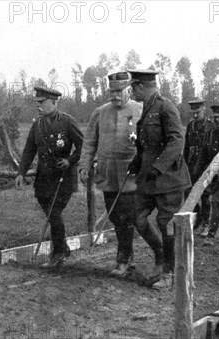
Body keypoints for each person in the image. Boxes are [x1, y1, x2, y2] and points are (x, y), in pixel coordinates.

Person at [126, 69, 191, 289]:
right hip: (149, 178)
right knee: (138, 217)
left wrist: (159, 166)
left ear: (142, 87)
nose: (131, 91)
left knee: (167, 224)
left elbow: (177, 140)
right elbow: (146, 145)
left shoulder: (165, 107)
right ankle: (160, 254)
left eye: (133, 87)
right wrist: (137, 162)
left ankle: (169, 273)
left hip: (169, 178)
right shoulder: (146, 108)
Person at [78, 71, 143, 276]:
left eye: (119, 91)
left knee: (128, 215)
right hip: (107, 173)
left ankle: (123, 260)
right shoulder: (100, 112)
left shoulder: (140, 109)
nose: (114, 95)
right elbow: (89, 142)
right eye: (112, 91)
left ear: (129, 90)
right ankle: (127, 256)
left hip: (131, 174)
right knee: (116, 215)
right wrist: (84, 165)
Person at [15, 87, 84, 269]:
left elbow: (83, 146)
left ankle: (58, 254)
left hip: (63, 178)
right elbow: (29, 150)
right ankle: (63, 246)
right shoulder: (37, 125)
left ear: (54, 103)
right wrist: (21, 173)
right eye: (37, 103)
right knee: (51, 213)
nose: (38, 106)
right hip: (44, 178)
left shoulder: (67, 122)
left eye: (42, 102)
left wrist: (70, 161)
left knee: (54, 214)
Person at [194, 105, 219, 245]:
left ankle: (211, 235)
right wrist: (197, 172)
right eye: (215, 117)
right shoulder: (210, 134)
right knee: (218, 203)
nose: (217, 120)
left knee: (216, 201)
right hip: (212, 173)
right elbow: (203, 155)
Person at [183, 99, 214, 233]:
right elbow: (186, 147)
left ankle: (206, 224)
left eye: (198, 112)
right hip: (191, 164)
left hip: (205, 164)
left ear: (204, 110)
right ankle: (198, 217)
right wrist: (184, 163)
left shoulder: (210, 126)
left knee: (205, 195)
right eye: (193, 113)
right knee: (188, 192)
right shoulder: (190, 126)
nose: (195, 116)